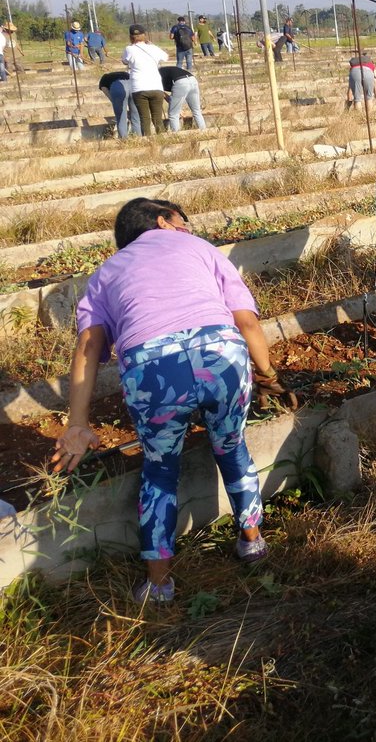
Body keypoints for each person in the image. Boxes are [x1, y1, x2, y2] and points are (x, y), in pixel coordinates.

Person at [51, 198, 294, 603]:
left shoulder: (106, 273)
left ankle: (159, 585)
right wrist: (267, 374)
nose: (186, 227)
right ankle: (251, 541)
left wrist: (77, 421)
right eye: (182, 221)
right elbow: (246, 321)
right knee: (231, 448)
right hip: (221, 355)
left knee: (161, 472)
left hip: (153, 368)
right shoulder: (200, 248)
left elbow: (88, 346)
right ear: (164, 221)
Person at [122, 24, 168, 135]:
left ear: (131, 36)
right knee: (157, 118)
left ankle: (148, 141)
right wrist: (151, 44)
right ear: (144, 35)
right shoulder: (153, 48)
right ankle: (161, 139)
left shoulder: (129, 49)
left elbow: (124, 61)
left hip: (139, 87)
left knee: (144, 118)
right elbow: (166, 57)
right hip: (156, 86)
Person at [160, 65, 206, 132]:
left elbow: (160, 92)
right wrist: (174, 104)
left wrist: (174, 105)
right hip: (192, 79)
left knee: (173, 114)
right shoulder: (163, 71)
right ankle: (204, 131)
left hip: (180, 82)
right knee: (197, 111)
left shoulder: (155, 76)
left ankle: (177, 135)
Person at [99, 71, 141, 139]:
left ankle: (124, 140)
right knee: (136, 117)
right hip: (132, 86)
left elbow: (104, 89)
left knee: (121, 117)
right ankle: (138, 139)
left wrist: (114, 101)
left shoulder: (104, 77)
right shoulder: (126, 73)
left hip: (118, 87)